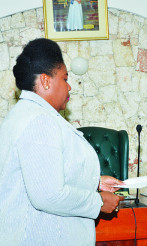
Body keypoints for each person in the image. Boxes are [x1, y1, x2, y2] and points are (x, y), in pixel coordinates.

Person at [0, 38, 124, 245]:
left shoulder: (23, 114)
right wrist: (98, 201)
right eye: (65, 79)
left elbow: (43, 174)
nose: (69, 87)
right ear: (46, 80)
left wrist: (95, 181)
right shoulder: (39, 121)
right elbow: (48, 195)